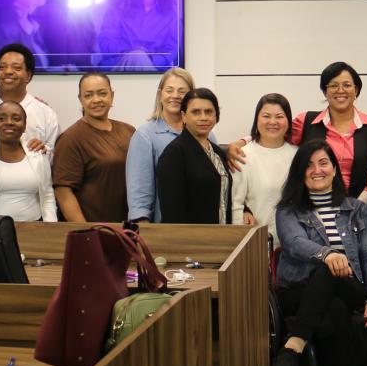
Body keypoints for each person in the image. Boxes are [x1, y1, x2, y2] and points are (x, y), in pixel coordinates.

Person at [274, 139, 367, 366]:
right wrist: (327, 254)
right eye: (309, 165)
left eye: (324, 163)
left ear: (335, 169)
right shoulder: (288, 210)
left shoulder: (356, 210)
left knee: (335, 286)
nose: (317, 170)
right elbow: (294, 242)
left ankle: (295, 345)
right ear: (299, 172)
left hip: (350, 287)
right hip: (299, 291)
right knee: (333, 299)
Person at [290, 61, 367, 198]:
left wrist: (358, 205)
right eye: (333, 85)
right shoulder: (305, 121)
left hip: (360, 204)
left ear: (356, 90)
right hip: (310, 204)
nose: (340, 90)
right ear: (325, 92)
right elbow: (275, 141)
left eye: (347, 85)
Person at [52, 72, 135, 223]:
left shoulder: (129, 131)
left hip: (127, 227)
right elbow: (63, 192)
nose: (96, 100)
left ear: (112, 96)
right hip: (94, 229)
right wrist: (85, 231)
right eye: (88, 95)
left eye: (102, 93)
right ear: (80, 99)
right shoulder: (70, 139)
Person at [126, 68, 199, 222]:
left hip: (203, 227)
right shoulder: (145, 136)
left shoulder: (205, 135)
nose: (175, 96)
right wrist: (143, 226)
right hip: (165, 228)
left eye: (182, 91)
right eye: (169, 90)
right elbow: (139, 194)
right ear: (160, 95)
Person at [157, 88, 232, 225]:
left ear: (216, 115)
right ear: (184, 116)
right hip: (191, 237)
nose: (203, 117)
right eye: (196, 112)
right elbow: (172, 213)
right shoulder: (174, 153)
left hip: (222, 234)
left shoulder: (218, 152)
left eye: (208, 112)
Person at [231, 93, 296, 246]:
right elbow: (235, 205)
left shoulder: (297, 154)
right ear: (257, 119)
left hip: (295, 245)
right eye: (266, 116)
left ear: (288, 121)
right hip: (257, 245)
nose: (273, 122)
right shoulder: (243, 155)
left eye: (279, 116)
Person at [0, 43, 59, 157]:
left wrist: (44, 151)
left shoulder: (45, 113)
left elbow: (56, 154)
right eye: (2, 67)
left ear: (28, 75)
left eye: (17, 68)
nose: (8, 72)